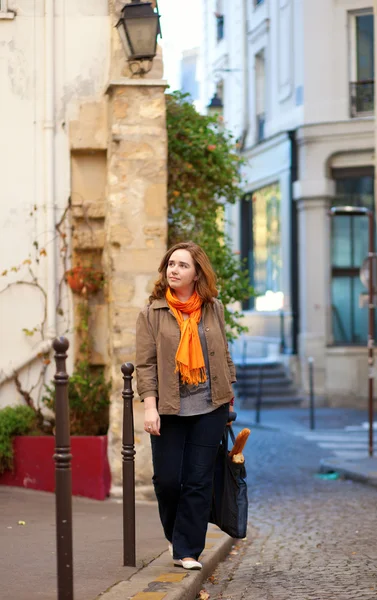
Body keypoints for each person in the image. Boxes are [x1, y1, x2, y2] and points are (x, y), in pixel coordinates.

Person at [135, 241, 236, 570]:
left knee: (199, 480)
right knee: (167, 480)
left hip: (210, 407)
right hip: (169, 408)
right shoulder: (152, 313)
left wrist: (228, 400)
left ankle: (187, 550)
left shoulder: (213, 308)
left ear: (197, 274)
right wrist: (149, 407)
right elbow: (146, 365)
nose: (174, 270)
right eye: (170, 264)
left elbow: (223, 354)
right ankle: (177, 535)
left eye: (182, 265)